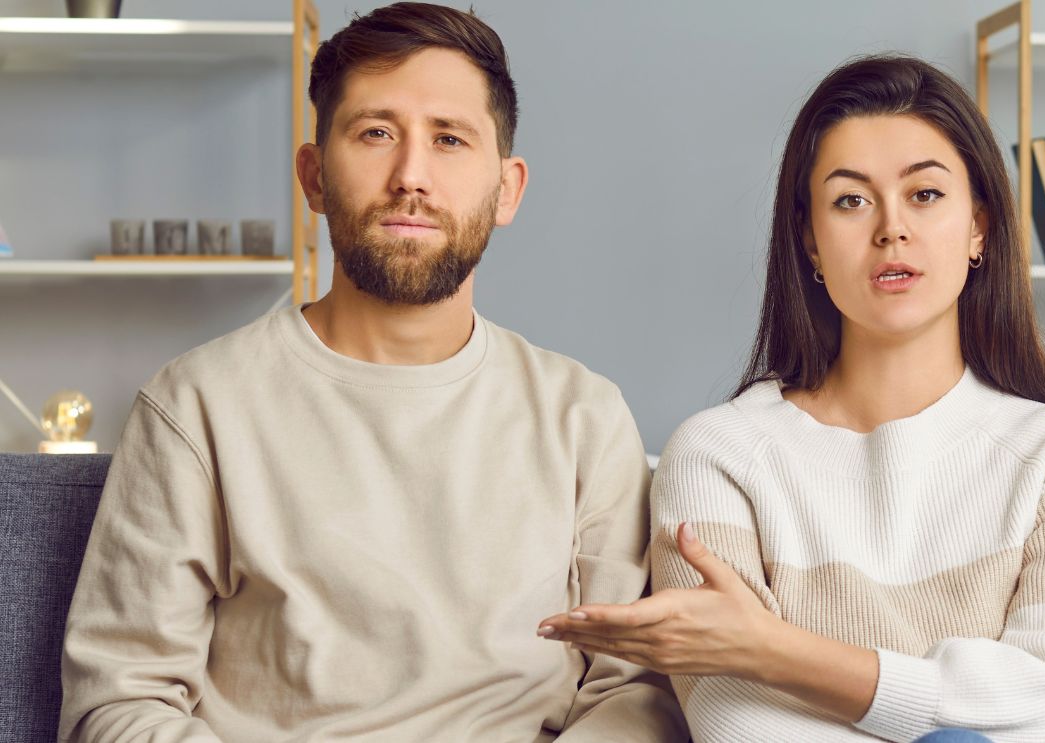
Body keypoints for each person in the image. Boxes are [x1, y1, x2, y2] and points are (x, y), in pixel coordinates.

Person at [58, 4, 685, 741]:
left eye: (449, 139)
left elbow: (636, 690)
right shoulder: (196, 406)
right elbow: (119, 704)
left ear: (506, 188)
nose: (410, 176)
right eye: (375, 133)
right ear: (314, 176)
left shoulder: (583, 416)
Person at [536, 55, 1045, 743]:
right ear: (809, 242)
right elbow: (737, 722)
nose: (890, 229)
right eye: (850, 200)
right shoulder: (716, 453)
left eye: (925, 195)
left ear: (979, 228)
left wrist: (772, 649)